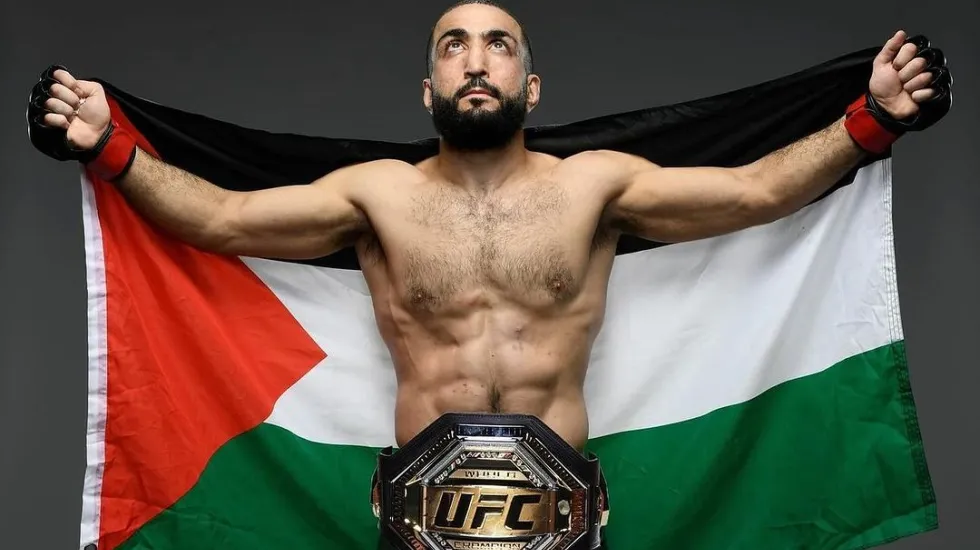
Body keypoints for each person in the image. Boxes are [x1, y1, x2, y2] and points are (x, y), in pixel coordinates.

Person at [27, 1, 951, 548]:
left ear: (531, 89)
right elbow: (221, 220)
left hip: (564, 519)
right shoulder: (375, 197)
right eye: (453, 44)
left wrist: (870, 120)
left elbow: (752, 192)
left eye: (499, 43)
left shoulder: (594, 186)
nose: (477, 59)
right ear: (428, 90)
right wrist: (110, 146)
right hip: (420, 520)